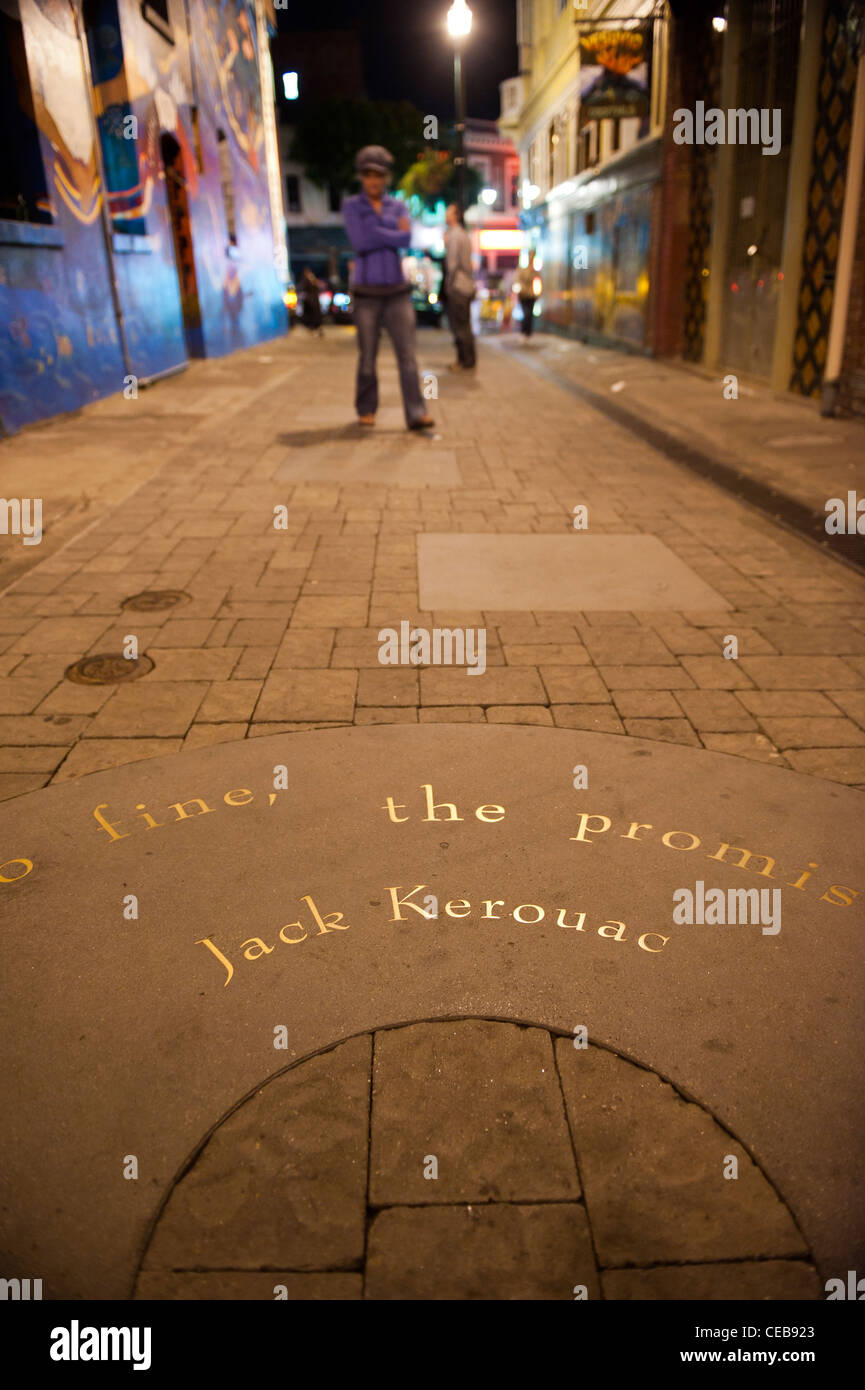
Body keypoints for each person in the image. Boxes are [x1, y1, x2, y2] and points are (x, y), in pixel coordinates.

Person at [342, 146, 434, 431]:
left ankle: (417, 413)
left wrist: (377, 233)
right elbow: (360, 243)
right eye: (368, 175)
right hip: (366, 294)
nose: (374, 181)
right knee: (367, 357)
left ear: (386, 177)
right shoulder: (351, 206)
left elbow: (407, 239)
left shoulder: (398, 206)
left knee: (408, 357)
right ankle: (366, 408)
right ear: (362, 176)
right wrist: (390, 234)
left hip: (398, 292)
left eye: (379, 175)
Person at [443, 202, 476, 371]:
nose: (445, 215)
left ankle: (464, 361)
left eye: (448, 212)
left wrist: (448, 284)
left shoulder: (455, 235)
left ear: (455, 215)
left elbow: (453, 263)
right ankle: (468, 360)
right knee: (465, 324)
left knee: (459, 326)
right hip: (466, 285)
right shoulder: (463, 234)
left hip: (458, 286)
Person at [514, 259, 538, 338]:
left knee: (529, 313)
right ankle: (525, 330)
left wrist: (537, 294)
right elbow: (517, 280)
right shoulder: (521, 270)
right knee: (526, 313)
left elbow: (537, 281)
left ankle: (528, 332)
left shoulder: (535, 271)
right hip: (523, 294)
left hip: (531, 295)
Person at [299, 268, 324, 337]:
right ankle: (313, 330)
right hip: (311, 302)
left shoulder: (311, 281)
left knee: (315, 316)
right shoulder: (307, 281)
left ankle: (316, 330)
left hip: (312, 302)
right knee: (312, 317)